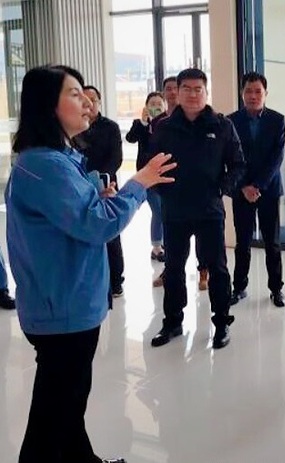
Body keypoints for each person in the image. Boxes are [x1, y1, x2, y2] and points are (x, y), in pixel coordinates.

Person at [6, 64, 174, 463]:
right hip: (63, 310)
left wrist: (97, 192)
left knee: (67, 406)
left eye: (85, 94)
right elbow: (97, 225)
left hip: (66, 302)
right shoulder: (46, 165)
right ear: (48, 106)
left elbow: (75, 214)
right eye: (74, 93)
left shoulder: (57, 159)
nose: (86, 102)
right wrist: (139, 183)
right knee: (51, 420)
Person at [149, 68, 245, 350]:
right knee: (173, 268)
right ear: (176, 93)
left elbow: (238, 165)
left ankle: (222, 322)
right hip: (175, 210)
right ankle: (173, 322)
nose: (192, 94)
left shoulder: (222, 125)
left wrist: (221, 189)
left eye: (198, 89)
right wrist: (165, 191)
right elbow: (150, 165)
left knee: (217, 268)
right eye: (186, 89)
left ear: (206, 92)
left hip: (209, 210)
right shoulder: (164, 128)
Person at [228, 72, 285, 307]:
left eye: (257, 91)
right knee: (242, 242)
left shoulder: (277, 120)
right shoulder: (231, 121)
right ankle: (239, 287)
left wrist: (257, 185)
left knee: (272, 243)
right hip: (241, 190)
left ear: (265, 93)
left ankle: (276, 289)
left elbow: (276, 157)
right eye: (248, 91)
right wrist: (244, 186)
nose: (253, 96)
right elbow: (230, 158)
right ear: (242, 93)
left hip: (268, 190)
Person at [151, 76, 209, 290]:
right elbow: (152, 156)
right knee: (174, 248)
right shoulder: (161, 124)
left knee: (205, 243)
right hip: (173, 198)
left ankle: (203, 272)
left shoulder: (210, 122)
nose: (173, 92)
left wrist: (219, 188)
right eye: (169, 89)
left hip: (203, 199)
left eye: (176, 88)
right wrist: (163, 189)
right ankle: (169, 274)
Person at [74, 85, 125, 298]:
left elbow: (116, 158)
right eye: (83, 99)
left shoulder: (110, 127)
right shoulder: (75, 126)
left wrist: (100, 179)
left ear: (99, 102)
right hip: (78, 187)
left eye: (93, 100)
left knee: (111, 232)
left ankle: (116, 280)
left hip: (106, 186)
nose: (88, 104)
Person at [126, 91, 166, 262]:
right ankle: (157, 246)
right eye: (152, 104)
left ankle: (165, 244)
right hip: (147, 175)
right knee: (158, 210)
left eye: (159, 104)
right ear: (146, 107)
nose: (156, 107)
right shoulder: (140, 124)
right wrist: (143, 122)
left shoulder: (168, 124)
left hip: (165, 173)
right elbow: (130, 138)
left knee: (166, 210)